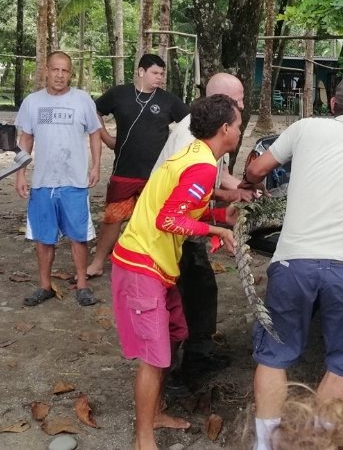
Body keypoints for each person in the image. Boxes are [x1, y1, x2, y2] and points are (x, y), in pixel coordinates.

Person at [242, 74, 343, 450]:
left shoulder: (304, 128)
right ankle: (316, 442)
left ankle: (265, 445)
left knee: (275, 355)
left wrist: (250, 182)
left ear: (332, 105)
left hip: (294, 261)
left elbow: (256, 171)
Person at [111, 94, 240, 450]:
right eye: (239, 125)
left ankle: (155, 411)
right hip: (142, 263)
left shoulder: (198, 155)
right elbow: (168, 219)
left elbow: (181, 207)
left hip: (158, 265)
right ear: (225, 129)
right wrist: (217, 231)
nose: (240, 130)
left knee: (173, 334)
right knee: (154, 357)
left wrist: (217, 216)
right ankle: (144, 438)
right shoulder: (201, 165)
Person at [153, 73, 255, 381]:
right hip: (172, 228)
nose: (242, 106)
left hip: (185, 220)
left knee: (200, 285)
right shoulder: (190, 138)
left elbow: (216, 179)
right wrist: (221, 222)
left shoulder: (206, 132)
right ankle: (180, 367)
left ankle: (197, 348)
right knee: (189, 287)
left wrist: (243, 190)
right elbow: (189, 194)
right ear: (220, 106)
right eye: (237, 101)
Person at [85, 53, 189, 279]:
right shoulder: (119, 94)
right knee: (113, 218)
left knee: (156, 219)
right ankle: (98, 262)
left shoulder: (168, 100)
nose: (159, 78)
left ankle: (152, 263)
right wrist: (106, 137)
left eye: (162, 74)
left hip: (156, 174)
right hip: (124, 170)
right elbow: (93, 110)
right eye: (155, 73)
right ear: (141, 72)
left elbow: (190, 122)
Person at [14, 51, 102, 307]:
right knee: (44, 237)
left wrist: (96, 165)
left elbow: (95, 133)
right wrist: (20, 173)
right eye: (55, 70)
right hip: (43, 182)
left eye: (65, 71)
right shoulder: (32, 102)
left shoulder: (82, 100)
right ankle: (44, 286)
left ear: (70, 74)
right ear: (46, 71)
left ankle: (82, 285)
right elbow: (26, 140)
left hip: (74, 181)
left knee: (78, 235)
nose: (60, 75)